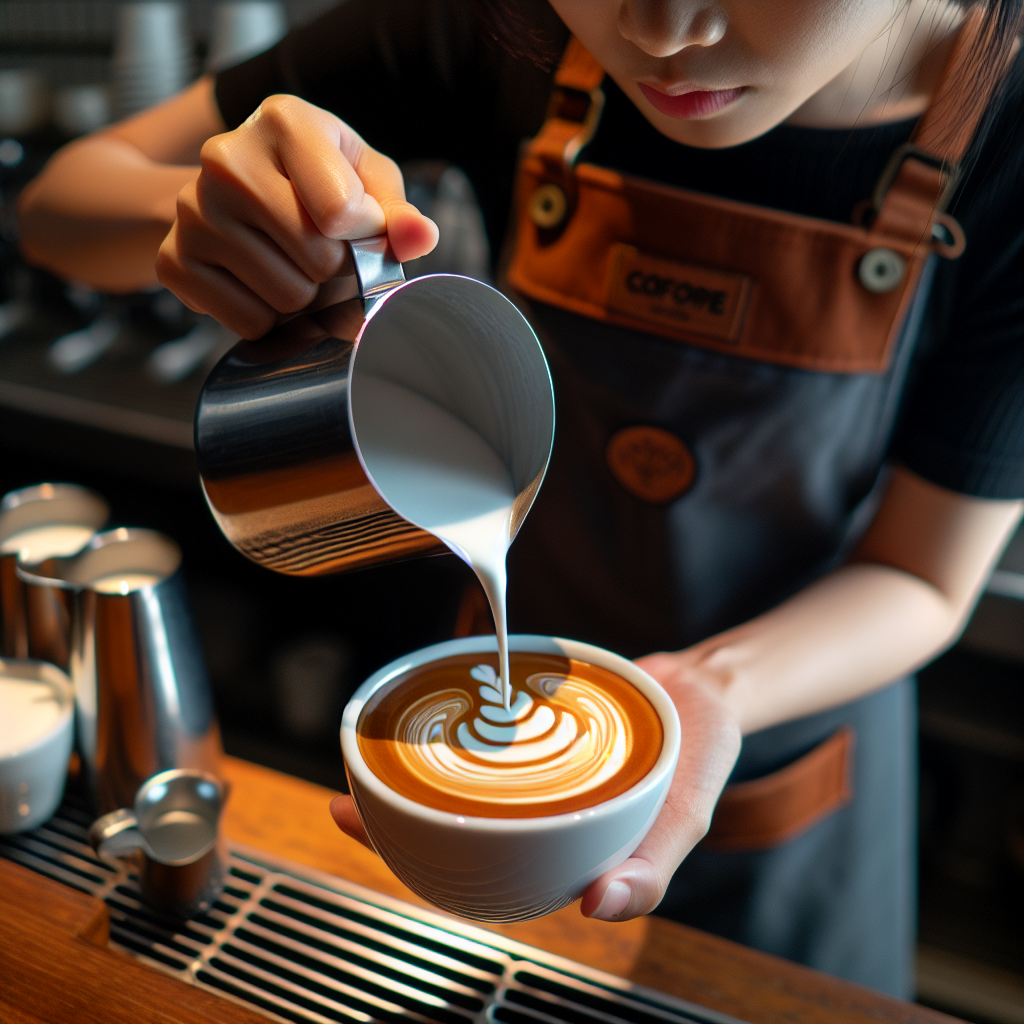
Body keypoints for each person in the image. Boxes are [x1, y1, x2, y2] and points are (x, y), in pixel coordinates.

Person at [18, 0, 1023, 998]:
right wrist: (194, 210)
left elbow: (922, 576)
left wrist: (714, 687)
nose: (663, 32)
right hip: (484, 761)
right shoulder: (508, 30)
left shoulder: (1005, 137)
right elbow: (58, 206)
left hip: (789, 768)